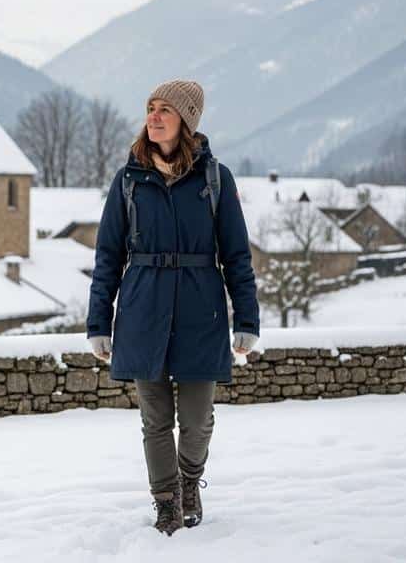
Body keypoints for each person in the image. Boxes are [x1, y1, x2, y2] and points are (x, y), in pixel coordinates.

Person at [84, 79, 261, 536]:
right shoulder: (128, 180)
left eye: (165, 109)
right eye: (150, 107)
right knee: (155, 420)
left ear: (187, 120)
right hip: (142, 309)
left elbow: (237, 254)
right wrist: (98, 322)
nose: (154, 116)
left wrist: (247, 319)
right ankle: (166, 501)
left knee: (198, 419)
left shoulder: (215, 179)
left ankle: (188, 481)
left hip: (202, 309)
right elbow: (107, 255)